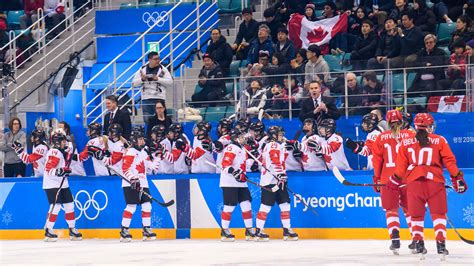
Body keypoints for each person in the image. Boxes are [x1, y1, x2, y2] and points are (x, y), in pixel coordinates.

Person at [393, 113, 467, 257]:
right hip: (435, 183)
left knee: (416, 216)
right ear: (429, 126)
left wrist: (393, 181)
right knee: (438, 214)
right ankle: (441, 245)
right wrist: (457, 178)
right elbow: (450, 162)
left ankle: (419, 244)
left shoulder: (405, 142)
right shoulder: (440, 140)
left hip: (414, 184)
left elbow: (400, 169)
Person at [371, 109, 415, 254]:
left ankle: (395, 238)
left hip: (388, 180)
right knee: (410, 211)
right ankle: (416, 238)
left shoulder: (380, 137)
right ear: (402, 121)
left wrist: (376, 178)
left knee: (391, 210)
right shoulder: (411, 135)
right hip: (407, 179)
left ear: (387, 123)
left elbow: (377, 161)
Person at [255, 126, 298, 241]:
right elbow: (274, 160)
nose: (282, 136)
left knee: (285, 203)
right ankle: (258, 230)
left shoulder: (277, 145)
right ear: (274, 135)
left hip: (279, 181)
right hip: (270, 181)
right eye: (279, 134)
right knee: (266, 205)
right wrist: (280, 174)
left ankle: (287, 229)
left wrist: (281, 175)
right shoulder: (273, 145)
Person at [43, 129, 82, 242]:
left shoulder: (62, 151)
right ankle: (48, 229)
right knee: (56, 206)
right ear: (57, 142)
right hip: (52, 184)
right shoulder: (54, 152)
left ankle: (72, 229)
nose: (65, 143)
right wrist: (59, 171)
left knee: (69, 205)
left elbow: (73, 157)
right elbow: (48, 170)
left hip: (62, 183)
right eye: (63, 141)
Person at [120, 127, 157, 242]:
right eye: (140, 139)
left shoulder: (144, 152)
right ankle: (124, 231)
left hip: (143, 182)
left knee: (147, 205)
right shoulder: (130, 152)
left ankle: (146, 230)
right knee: (131, 207)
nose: (143, 141)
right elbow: (125, 168)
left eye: (142, 139)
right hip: (130, 183)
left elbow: (153, 167)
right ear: (135, 140)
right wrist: (133, 179)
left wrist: (158, 155)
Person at [219, 128, 254, 241]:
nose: (244, 138)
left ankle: (249, 230)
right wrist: (234, 172)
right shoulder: (231, 147)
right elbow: (225, 165)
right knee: (229, 206)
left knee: (246, 204)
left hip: (241, 183)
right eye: (242, 137)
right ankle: (224, 230)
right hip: (229, 182)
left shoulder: (242, 148)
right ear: (235, 138)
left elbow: (245, 165)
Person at [132, 51, 173, 120]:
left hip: (159, 99)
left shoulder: (163, 69)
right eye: (155, 59)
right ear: (149, 60)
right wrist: (142, 79)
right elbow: (134, 83)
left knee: (160, 119)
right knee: (147, 121)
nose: (158, 61)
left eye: (158, 59)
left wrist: (158, 79)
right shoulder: (142, 69)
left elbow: (170, 82)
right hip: (146, 99)